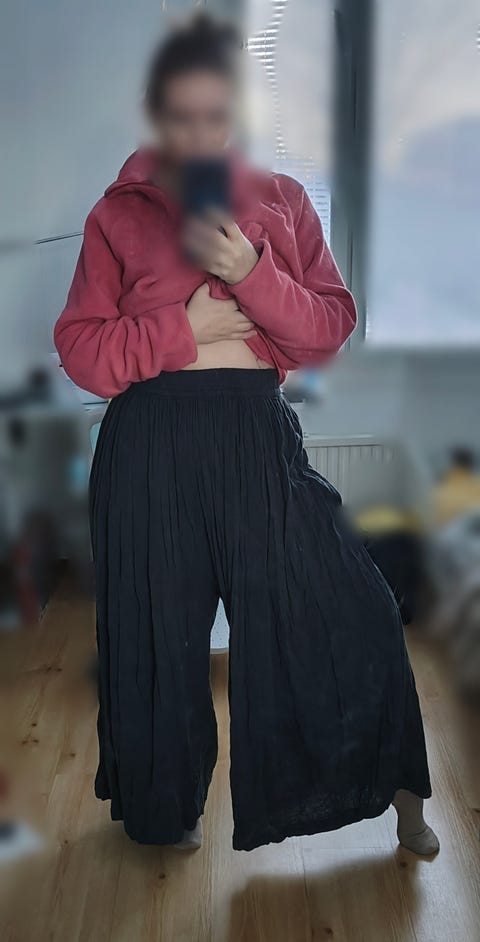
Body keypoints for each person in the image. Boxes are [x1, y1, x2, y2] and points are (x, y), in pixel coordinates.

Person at [54, 14, 438, 855]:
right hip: (148, 445)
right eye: (180, 116)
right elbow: (81, 349)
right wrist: (185, 331)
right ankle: (165, 810)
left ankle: (399, 792)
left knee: (352, 610)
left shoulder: (283, 201)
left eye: (215, 115)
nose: (198, 134)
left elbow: (329, 328)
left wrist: (252, 276)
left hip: (256, 439)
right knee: (159, 639)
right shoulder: (117, 214)